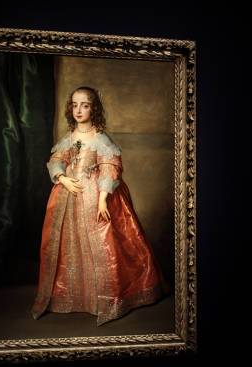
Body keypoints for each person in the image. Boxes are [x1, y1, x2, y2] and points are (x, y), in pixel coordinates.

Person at [31, 86, 168, 326]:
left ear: (94, 108)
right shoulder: (70, 137)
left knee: (104, 243)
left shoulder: (100, 138)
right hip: (69, 195)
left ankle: (104, 296)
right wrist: (62, 178)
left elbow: (110, 166)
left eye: (84, 105)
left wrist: (103, 197)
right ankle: (76, 293)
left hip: (95, 194)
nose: (79, 110)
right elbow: (57, 160)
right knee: (70, 243)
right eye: (74, 105)